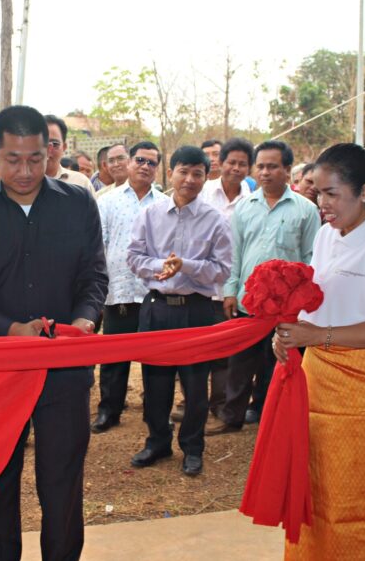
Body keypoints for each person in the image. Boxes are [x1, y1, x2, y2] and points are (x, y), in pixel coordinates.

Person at [0, 105, 107, 561]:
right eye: (13, 160)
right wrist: (11, 329)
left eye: (36, 158)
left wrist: (83, 321)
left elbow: (94, 277)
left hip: (64, 369)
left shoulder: (78, 203)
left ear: (50, 151)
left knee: (62, 481)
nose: (25, 171)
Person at [274, 143, 365, 559]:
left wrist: (319, 336)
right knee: (313, 491)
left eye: (331, 193)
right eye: (317, 192)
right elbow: (316, 301)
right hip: (316, 378)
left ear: (364, 192)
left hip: (361, 387)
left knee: (354, 500)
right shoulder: (326, 235)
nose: (322, 203)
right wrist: (290, 332)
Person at [127, 145, 232, 476]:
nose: (189, 179)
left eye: (197, 174)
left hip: (196, 311)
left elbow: (222, 270)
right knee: (154, 383)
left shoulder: (215, 220)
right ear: (170, 173)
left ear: (206, 177)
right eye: (183, 172)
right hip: (157, 309)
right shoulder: (150, 214)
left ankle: (193, 447)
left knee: (196, 386)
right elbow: (133, 257)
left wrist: (185, 265)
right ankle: (157, 441)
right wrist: (162, 266)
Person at [209, 140, 319, 435]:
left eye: (272, 167)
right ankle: (231, 416)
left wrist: (303, 303)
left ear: (287, 169)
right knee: (240, 362)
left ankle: (271, 417)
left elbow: (311, 259)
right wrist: (230, 291)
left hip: (287, 308)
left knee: (278, 362)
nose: (265, 173)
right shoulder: (244, 208)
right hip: (249, 302)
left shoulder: (307, 210)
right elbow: (235, 253)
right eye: (261, 167)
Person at [92, 141, 165, 433]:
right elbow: (98, 246)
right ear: (129, 163)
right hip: (119, 291)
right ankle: (109, 411)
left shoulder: (165, 204)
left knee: (155, 359)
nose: (145, 166)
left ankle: (155, 413)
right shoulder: (107, 202)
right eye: (140, 160)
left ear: (157, 168)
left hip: (154, 293)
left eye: (151, 162)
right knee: (114, 357)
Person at [198, 136, 254, 421]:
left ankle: (220, 403)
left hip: (232, 288)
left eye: (242, 164)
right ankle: (194, 401)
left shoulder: (252, 200)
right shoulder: (203, 192)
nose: (236, 168)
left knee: (225, 350)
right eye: (231, 162)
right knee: (199, 348)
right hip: (201, 285)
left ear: (249, 168)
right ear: (220, 163)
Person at [43, 114, 94, 192]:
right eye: (42, 143)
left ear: (64, 147)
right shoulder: (23, 184)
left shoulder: (81, 184)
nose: (48, 149)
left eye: (54, 144)